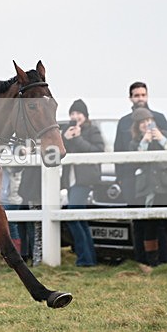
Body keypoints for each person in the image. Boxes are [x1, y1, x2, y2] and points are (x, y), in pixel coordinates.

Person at [114, 82, 167, 264]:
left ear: (147, 96)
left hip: (157, 178)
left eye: (143, 95)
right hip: (131, 178)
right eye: (136, 95)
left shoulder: (159, 119)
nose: (140, 98)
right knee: (137, 220)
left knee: (159, 220)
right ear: (130, 97)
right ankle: (140, 260)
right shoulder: (123, 122)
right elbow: (119, 150)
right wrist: (120, 178)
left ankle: (165, 261)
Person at [129, 108, 167, 266]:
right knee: (150, 227)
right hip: (148, 189)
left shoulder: (166, 135)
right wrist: (145, 142)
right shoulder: (135, 142)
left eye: (148, 121)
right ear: (137, 126)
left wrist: (161, 139)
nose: (146, 125)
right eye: (142, 123)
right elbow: (135, 161)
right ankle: (152, 263)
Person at [61, 99, 104, 267]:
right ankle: (89, 258)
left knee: (73, 216)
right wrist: (65, 138)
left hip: (84, 181)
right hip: (70, 181)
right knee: (80, 219)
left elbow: (98, 151)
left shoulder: (92, 130)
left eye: (78, 113)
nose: (75, 116)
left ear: (85, 116)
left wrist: (78, 139)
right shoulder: (66, 131)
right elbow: (58, 151)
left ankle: (84, 258)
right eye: (72, 113)